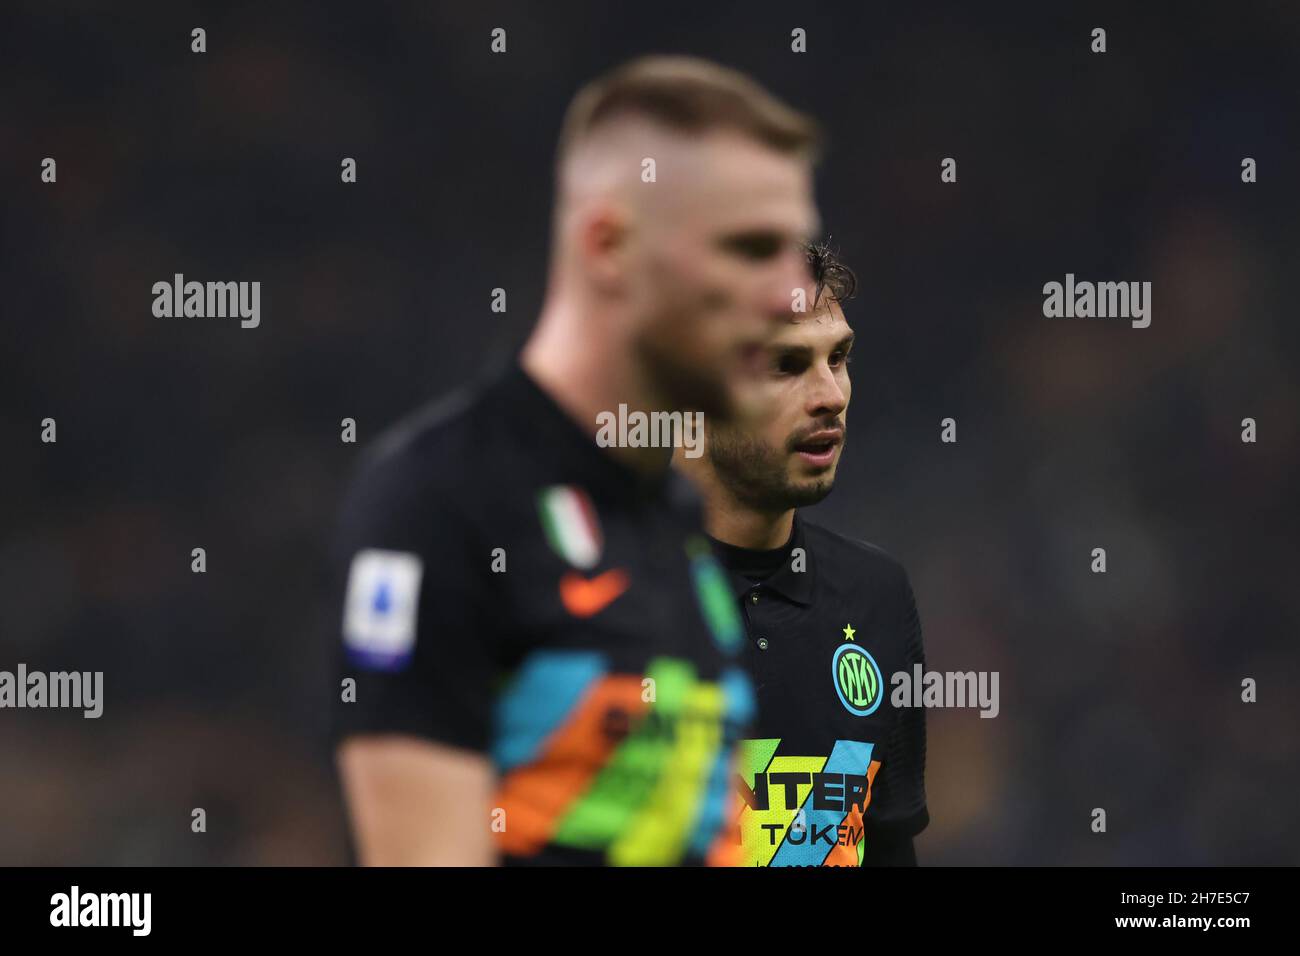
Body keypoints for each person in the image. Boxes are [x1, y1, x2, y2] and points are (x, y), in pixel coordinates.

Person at [331, 55, 823, 865]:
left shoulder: (675, 520)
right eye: (751, 248)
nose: (789, 295)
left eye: (796, 252)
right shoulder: (436, 501)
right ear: (608, 245)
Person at [675, 242, 928, 866]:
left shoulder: (876, 597)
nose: (830, 395)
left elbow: (890, 850)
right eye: (787, 366)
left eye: (837, 358)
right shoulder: (587, 599)